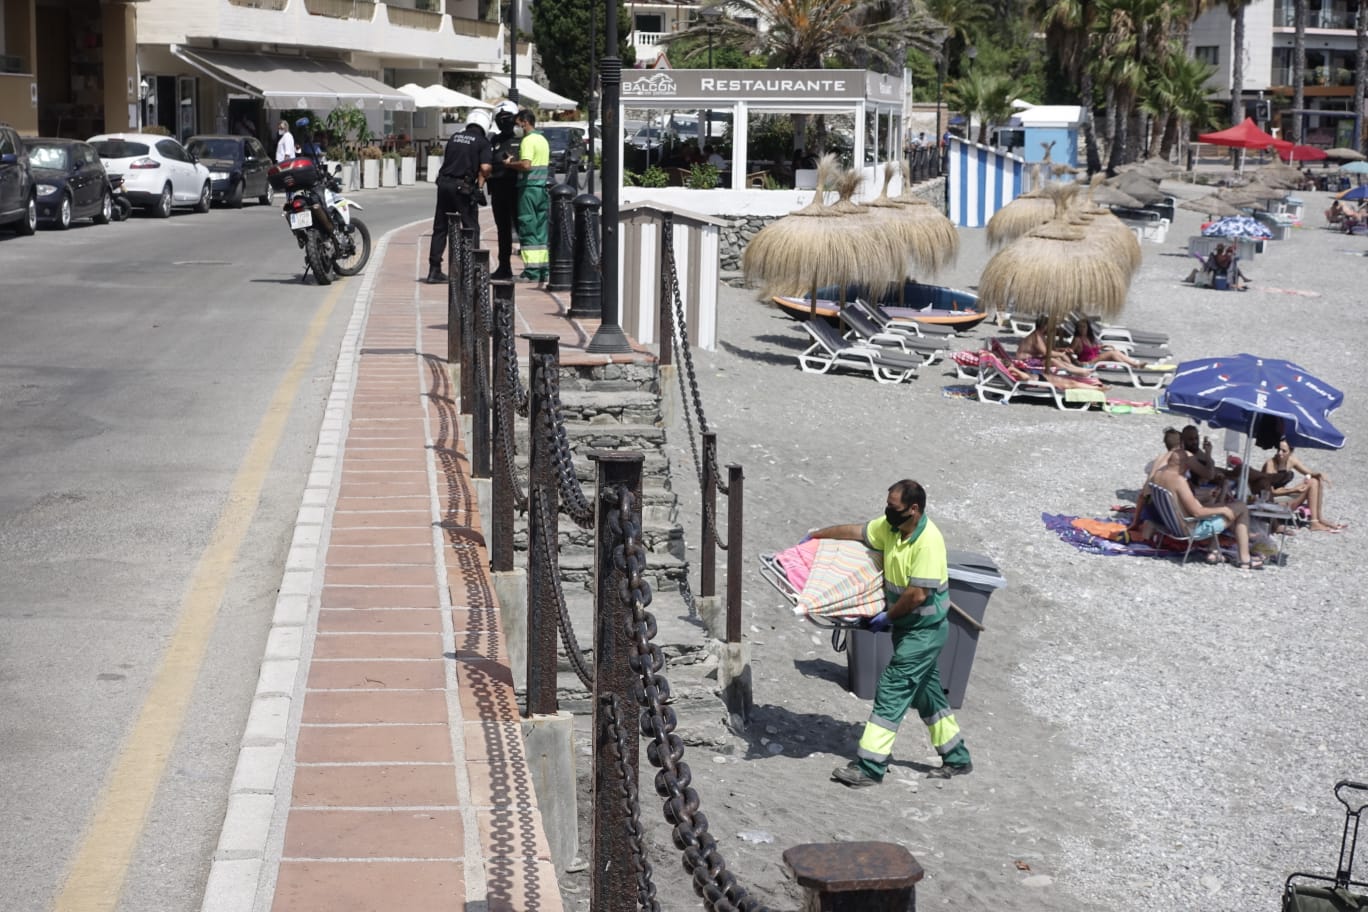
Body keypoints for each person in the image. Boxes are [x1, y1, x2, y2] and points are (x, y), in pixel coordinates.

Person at [810, 480, 973, 787]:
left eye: (894, 507)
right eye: (887, 505)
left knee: (892, 690)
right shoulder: (892, 529)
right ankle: (957, 757)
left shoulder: (928, 542)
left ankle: (870, 767)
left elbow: (916, 595)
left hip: (924, 632)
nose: (888, 512)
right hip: (908, 629)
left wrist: (885, 616)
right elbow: (857, 531)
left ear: (914, 509)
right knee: (928, 695)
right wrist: (817, 535)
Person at [1149, 449, 1262, 569]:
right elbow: (1197, 512)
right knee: (1241, 508)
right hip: (1191, 529)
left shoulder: (1158, 474)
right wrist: (1223, 510)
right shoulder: (1179, 481)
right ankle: (1244, 560)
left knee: (1218, 504)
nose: (1188, 468)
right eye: (1188, 465)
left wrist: (1217, 505)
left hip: (1172, 525)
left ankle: (1213, 551)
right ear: (1183, 465)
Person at [426, 108, 493, 285]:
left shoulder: (455, 137)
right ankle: (471, 271)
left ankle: (434, 270)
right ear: (486, 125)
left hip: (444, 184)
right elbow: (485, 168)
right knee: (471, 228)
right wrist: (481, 185)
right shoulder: (483, 142)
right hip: (462, 188)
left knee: (440, 228)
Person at [506, 109, 550, 283]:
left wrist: (509, 164)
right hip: (542, 190)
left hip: (528, 190)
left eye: (517, 123)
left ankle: (531, 271)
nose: (516, 127)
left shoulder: (528, 141)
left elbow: (525, 165)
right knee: (541, 231)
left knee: (527, 228)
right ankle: (543, 269)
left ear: (525, 122)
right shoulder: (542, 140)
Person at [1261, 440, 1345, 531]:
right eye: (1278, 450)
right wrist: (1293, 490)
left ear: (1291, 452)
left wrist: (1319, 474)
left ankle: (1318, 519)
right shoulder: (1270, 464)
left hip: (1283, 499)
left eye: (1284, 451)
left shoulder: (1291, 460)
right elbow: (1271, 491)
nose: (1280, 453)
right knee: (1312, 482)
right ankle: (1314, 522)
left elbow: (1309, 472)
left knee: (1315, 480)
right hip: (1270, 502)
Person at [486, 100, 521, 280]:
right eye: (500, 118)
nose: (503, 121)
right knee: (503, 230)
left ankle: (534, 268)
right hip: (498, 190)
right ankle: (504, 265)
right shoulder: (494, 140)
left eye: (507, 118)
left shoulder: (522, 139)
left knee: (524, 228)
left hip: (517, 190)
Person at [1070, 318, 1150, 370]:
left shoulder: (1088, 337)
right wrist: (1077, 362)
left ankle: (1134, 364)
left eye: (1084, 327)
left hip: (1095, 360)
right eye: (1079, 327)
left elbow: (1091, 349)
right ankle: (1134, 366)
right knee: (1111, 354)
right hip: (1088, 363)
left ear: (1088, 328)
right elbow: (1069, 352)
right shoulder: (1077, 339)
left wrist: (1101, 346)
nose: (1082, 329)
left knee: (1116, 353)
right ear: (1077, 328)